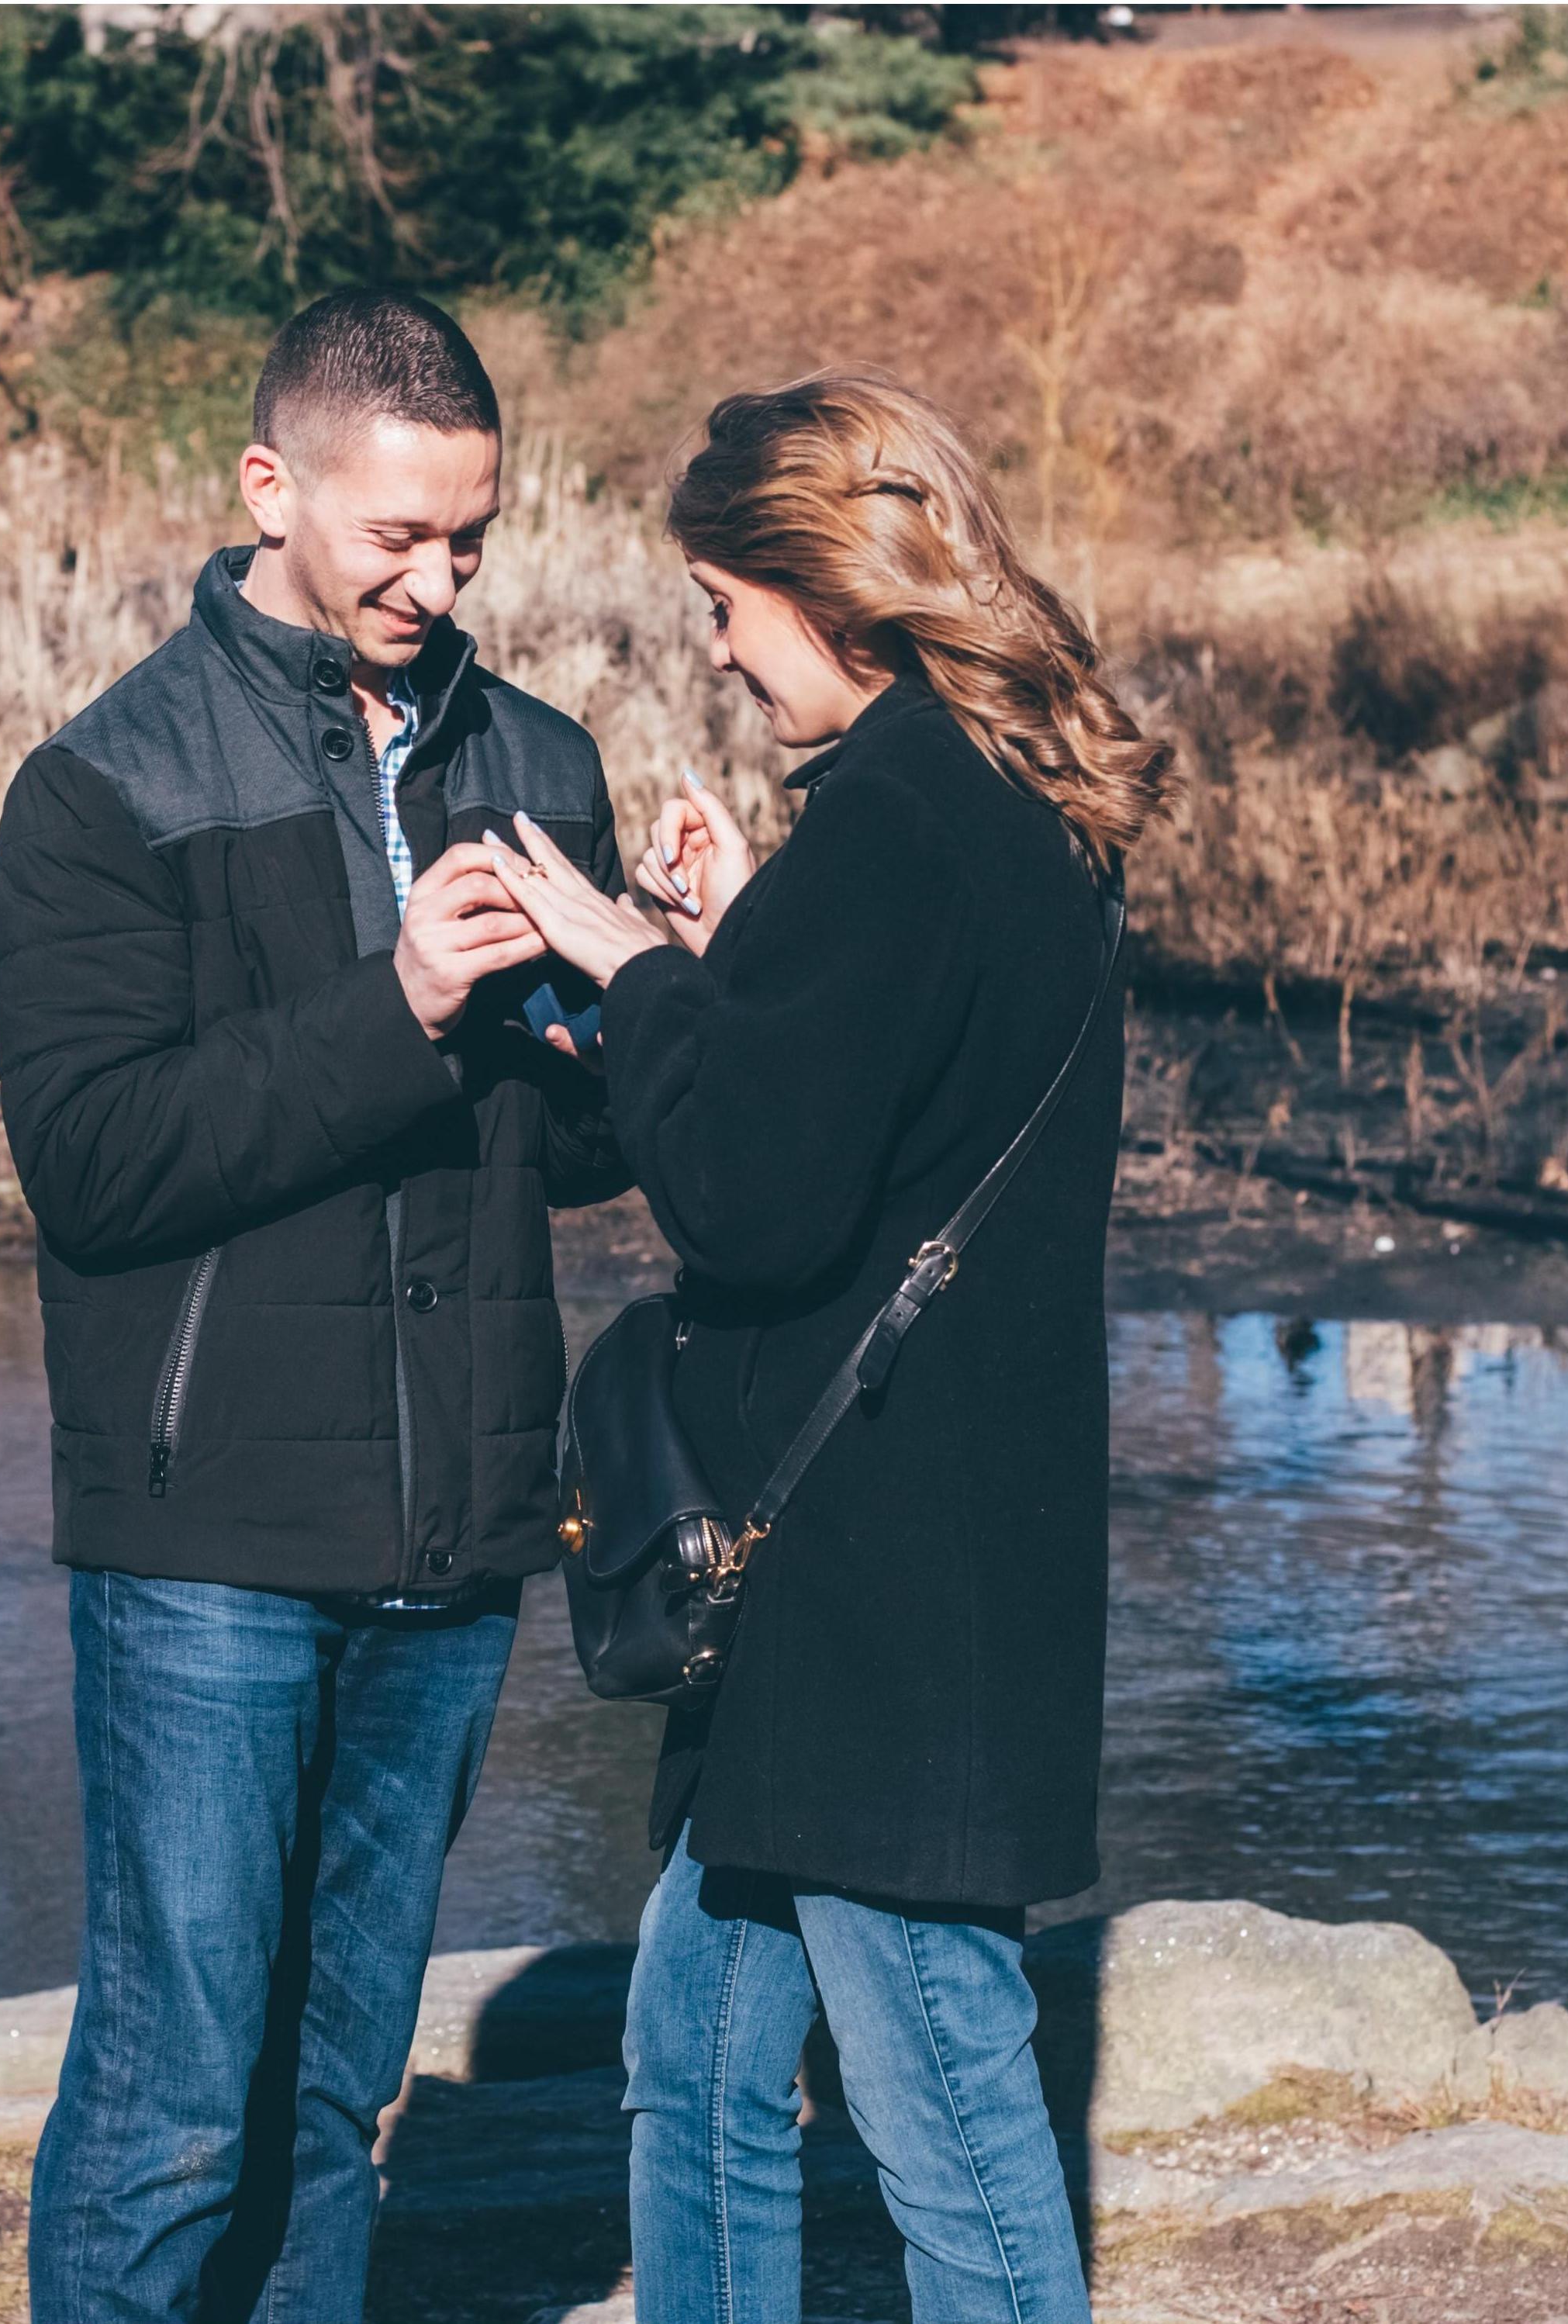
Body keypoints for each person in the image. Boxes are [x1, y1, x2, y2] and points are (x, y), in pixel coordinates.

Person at [487, 371, 1176, 2324]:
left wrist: (629, 975)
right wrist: (728, 955)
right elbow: (870, 1107)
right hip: (870, 1568)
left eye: (722, 602)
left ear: (822, 588)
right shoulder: (981, 799)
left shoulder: (900, 820)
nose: (714, 644)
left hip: (879, 1590)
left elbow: (756, 1200)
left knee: (943, 2113)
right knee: (695, 2059)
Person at [0, 289, 630, 2323]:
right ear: (271, 488)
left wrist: (659, 990)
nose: (435, 584)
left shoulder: (539, 760)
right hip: (209, 1544)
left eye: (471, 541)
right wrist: (400, 1004)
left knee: (337, 2091)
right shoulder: (100, 791)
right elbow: (97, 1167)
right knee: (176, 2099)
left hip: (456, 1537)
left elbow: (582, 1159)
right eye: (396, 539)